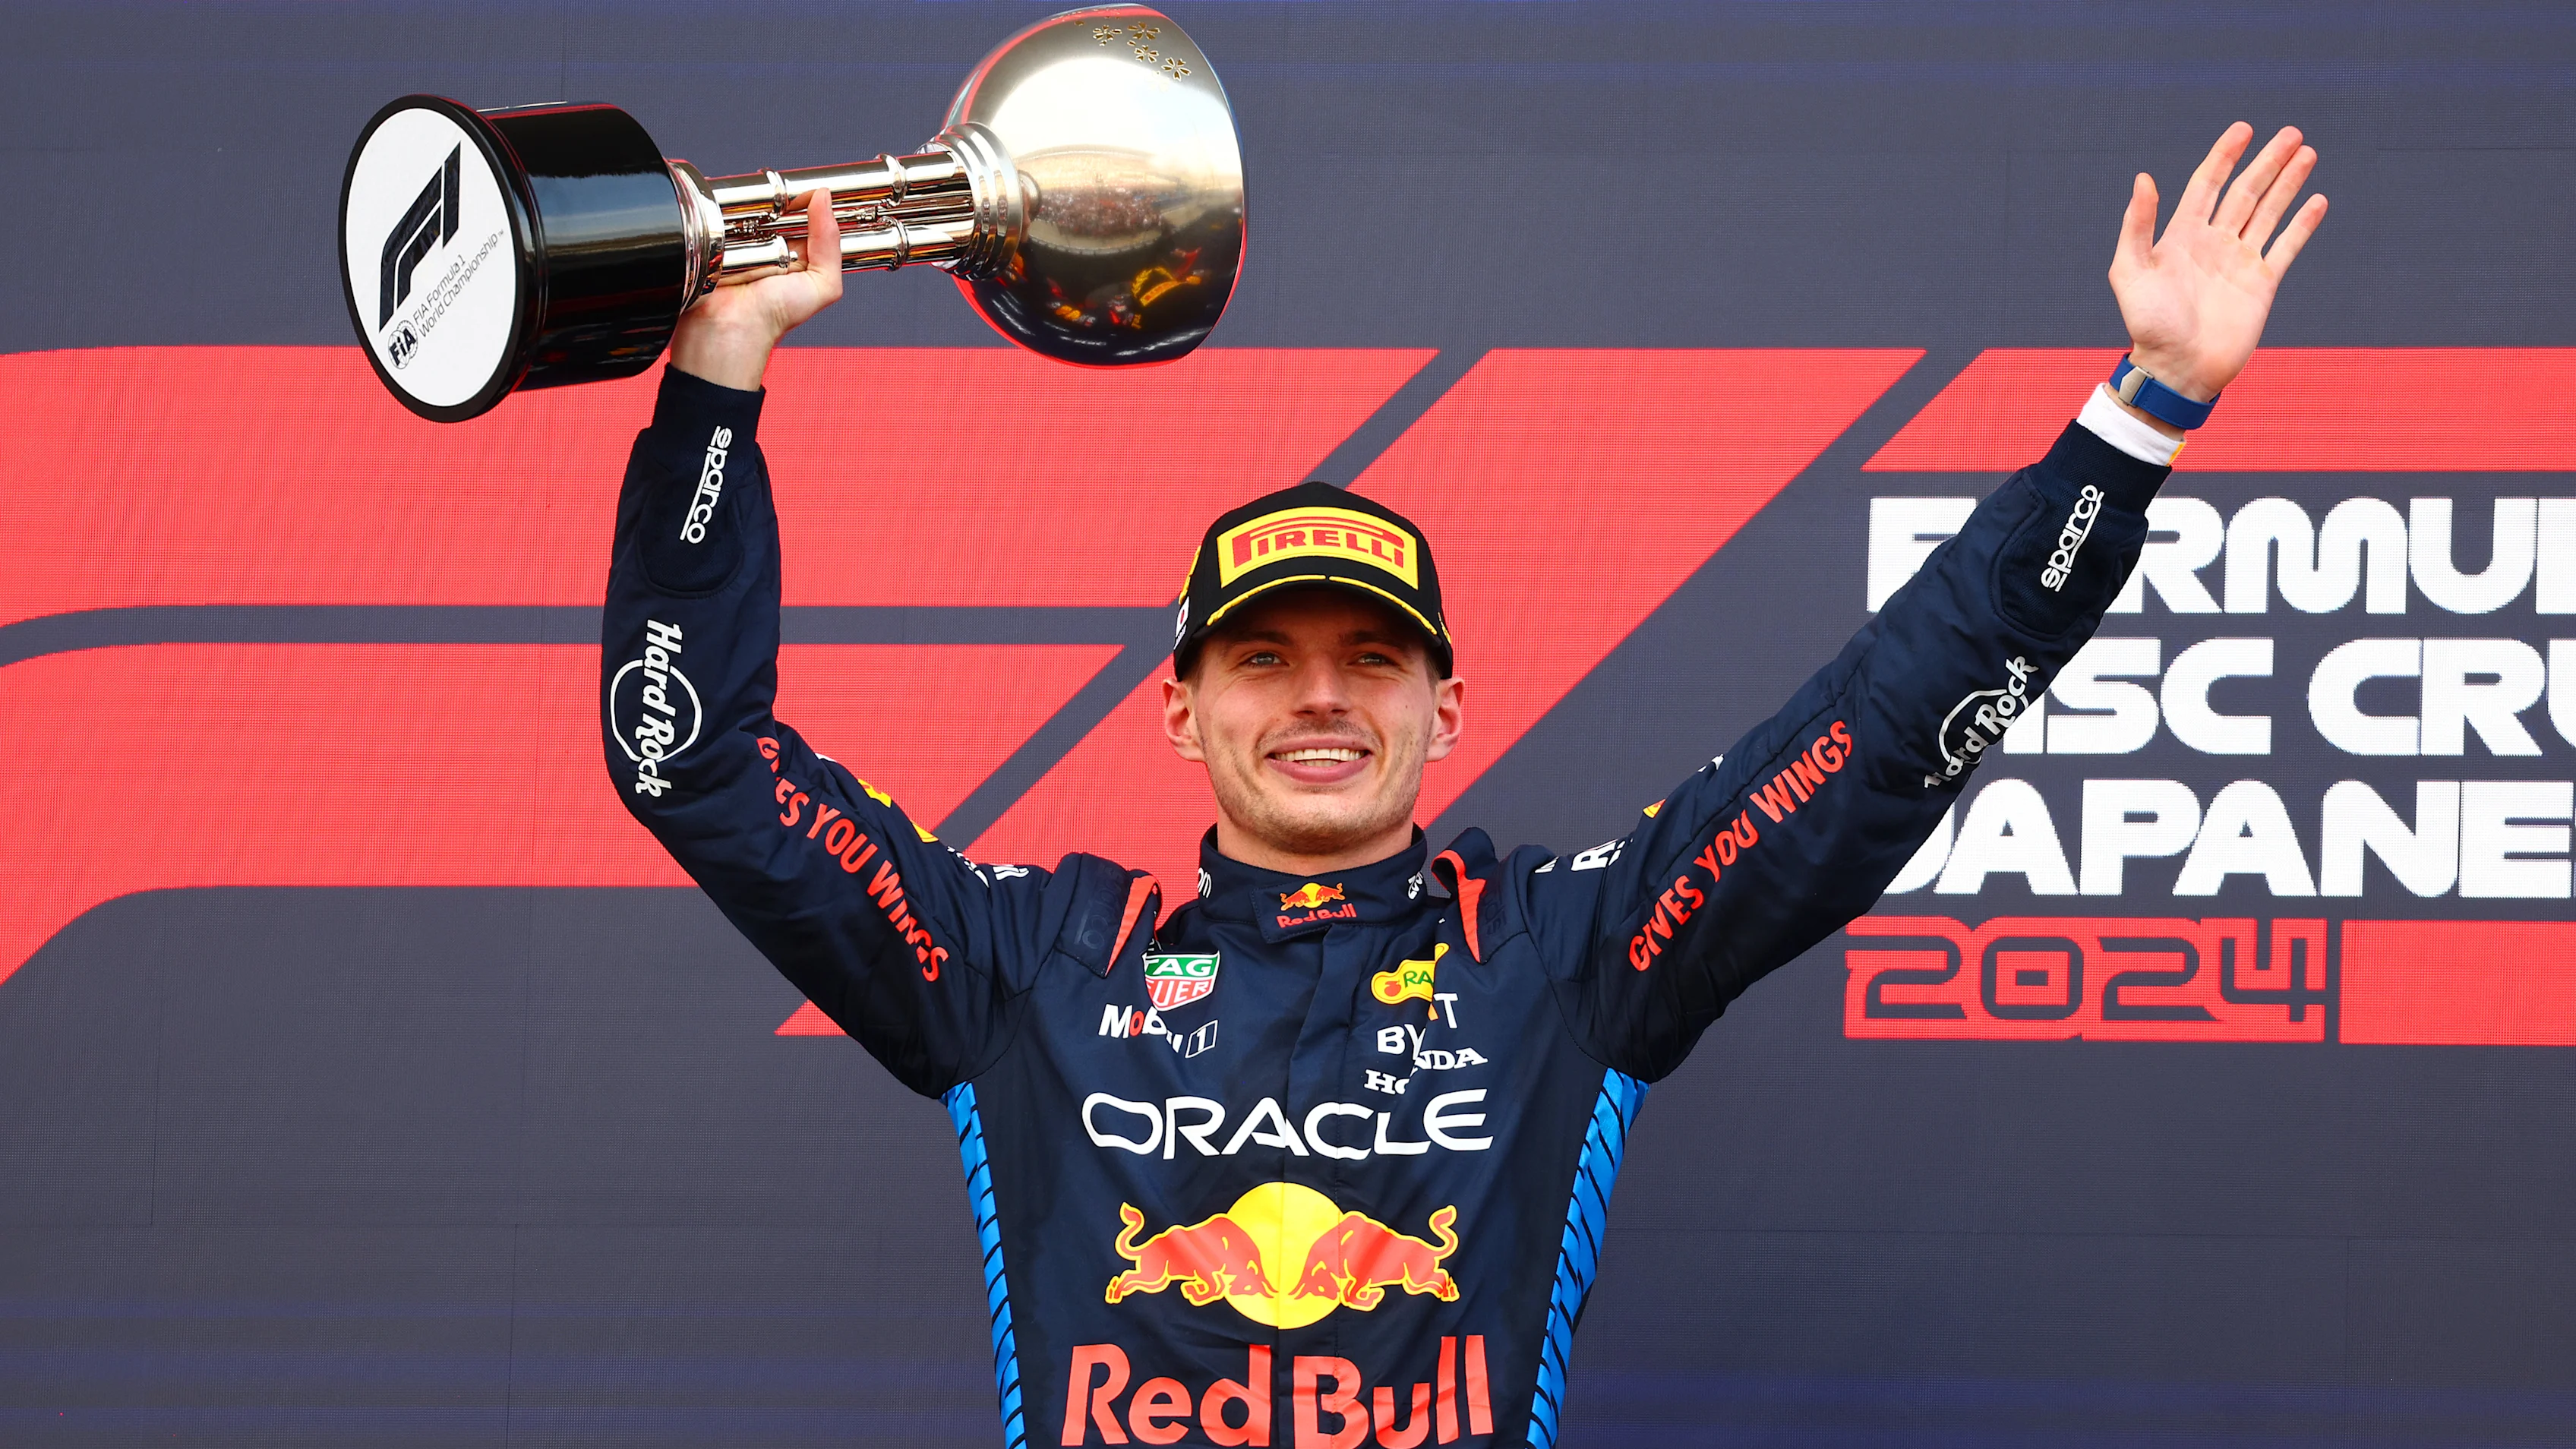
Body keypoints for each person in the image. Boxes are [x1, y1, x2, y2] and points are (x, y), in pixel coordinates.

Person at [600, 123, 2325, 1448]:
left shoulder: (1565, 954)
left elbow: (1872, 738)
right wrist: (718, 372)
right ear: (1177, 716)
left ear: (1447, 711)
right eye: (1263, 661)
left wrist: (2143, 412)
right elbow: (689, 755)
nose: (1321, 698)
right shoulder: (1031, 962)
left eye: (1372, 660)